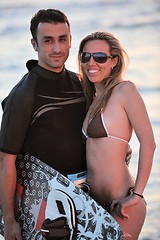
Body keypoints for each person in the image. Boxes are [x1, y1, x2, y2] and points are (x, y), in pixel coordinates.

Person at [0, 9, 131, 240]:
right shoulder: (23, 95)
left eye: (62, 39)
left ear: (71, 40)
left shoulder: (81, 84)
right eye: (48, 40)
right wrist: (10, 221)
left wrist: (119, 155)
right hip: (49, 205)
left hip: (89, 196)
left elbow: (97, 132)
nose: (57, 48)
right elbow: (5, 161)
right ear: (34, 44)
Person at [78, 31, 156, 239]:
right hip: (93, 205)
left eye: (100, 57)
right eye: (86, 56)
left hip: (123, 202)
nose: (91, 62)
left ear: (114, 61)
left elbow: (149, 143)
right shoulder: (93, 98)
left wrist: (136, 196)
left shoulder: (125, 91)